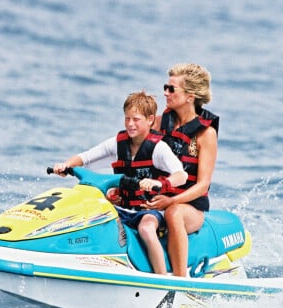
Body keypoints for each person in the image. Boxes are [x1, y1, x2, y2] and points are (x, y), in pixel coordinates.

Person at [52, 91, 188, 275]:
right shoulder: (117, 143)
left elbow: (181, 175)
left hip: (149, 210)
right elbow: (86, 157)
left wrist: (158, 184)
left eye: (136, 119)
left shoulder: (158, 148)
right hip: (122, 208)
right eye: (127, 119)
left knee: (146, 229)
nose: (130, 124)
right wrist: (65, 165)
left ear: (149, 120)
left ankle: (162, 279)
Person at [147, 63, 219, 277]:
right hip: (159, 196)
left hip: (189, 207)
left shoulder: (206, 134)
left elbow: (202, 185)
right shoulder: (159, 123)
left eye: (171, 89)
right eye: (165, 87)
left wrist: (171, 201)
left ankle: (180, 281)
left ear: (190, 96)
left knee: (173, 213)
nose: (165, 93)